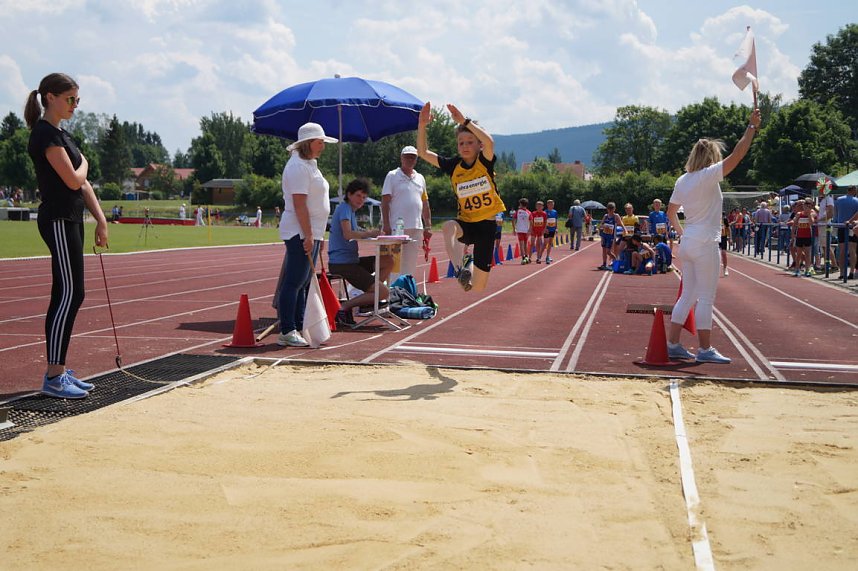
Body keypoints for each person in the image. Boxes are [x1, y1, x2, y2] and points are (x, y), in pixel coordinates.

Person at [25, 72, 109, 399]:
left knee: (73, 292)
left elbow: (84, 185)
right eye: (70, 99)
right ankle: (53, 374)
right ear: (50, 97)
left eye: (78, 99)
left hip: (72, 218)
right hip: (57, 218)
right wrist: (85, 162)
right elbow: (75, 179)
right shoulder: (45, 135)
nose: (75, 105)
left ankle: (59, 369)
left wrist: (101, 221)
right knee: (68, 293)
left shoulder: (63, 135)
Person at [666, 107, 761, 364]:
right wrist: (751, 127)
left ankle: (673, 343)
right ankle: (705, 349)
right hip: (706, 241)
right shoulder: (708, 176)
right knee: (706, 297)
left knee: (688, 295)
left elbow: (670, 211)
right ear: (711, 157)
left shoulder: (682, 180)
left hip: (689, 242)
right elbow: (738, 154)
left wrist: (682, 234)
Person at [417, 102, 507, 292]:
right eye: (461, 142)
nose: (465, 146)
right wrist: (422, 125)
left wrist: (464, 121)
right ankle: (460, 269)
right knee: (448, 226)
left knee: (478, 288)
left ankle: (469, 266)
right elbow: (423, 153)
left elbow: (490, 142)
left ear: (479, 145)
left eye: (470, 142)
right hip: (467, 224)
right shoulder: (453, 166)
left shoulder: (485, 161)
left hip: (487, 226)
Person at [277, 122, 336, 347]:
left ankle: (300, 325)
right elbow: (299, 204)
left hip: (312, 231)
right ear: (308, 143)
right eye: (320, 142)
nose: (323, 146)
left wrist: (316, 235)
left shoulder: (310, 164)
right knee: (294, 280)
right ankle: (287, 329)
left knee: (302, 282)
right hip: (299, 231)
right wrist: (308, 235)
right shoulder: (297, 167)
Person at [328, 178, 394, 325]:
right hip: (342, 264)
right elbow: (348, 234)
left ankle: (369, 299)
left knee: (388, 260)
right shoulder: (344, 208)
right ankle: (343, 307)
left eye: (364, 197)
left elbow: (354, 232)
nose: (361, 200)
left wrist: (368, 233)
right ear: (349, 194)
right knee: (384, 292)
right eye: (358, 195)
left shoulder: (350, 211)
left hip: (352, 261)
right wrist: (369, 234)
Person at [381, 145, 432, 281]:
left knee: (410, 263)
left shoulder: (420, 178)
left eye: (413, 157)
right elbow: (385, 202)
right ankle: (393, 294)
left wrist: (428, 225)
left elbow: (425, 203)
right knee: (394, 263)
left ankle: (406, 293)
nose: (410, 159)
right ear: (401, 158)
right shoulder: (392, 176)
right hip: (396, 227)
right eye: (407, 156)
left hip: (416, 226)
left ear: (416, 160)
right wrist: (386, 224)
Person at [833, 185, 858, 279]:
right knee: (852, 250)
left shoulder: (838, 200)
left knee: (842, 250)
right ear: (854, 190)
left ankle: (842, 273)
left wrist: (836, 223)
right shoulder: (857, 201)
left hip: (841, 226)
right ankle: (851, 272)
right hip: (852, 227)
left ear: (847, 190)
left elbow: (835, 215)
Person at [790, 198, 815, 276]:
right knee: (799, 254)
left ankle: (807, 270)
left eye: (808, 206)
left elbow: (811, 223)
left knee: (807, 254)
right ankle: (797, 269)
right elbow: (794, 225)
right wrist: (793, 234)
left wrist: (809, 215)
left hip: (808, 236)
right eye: (805, 206)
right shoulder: (799, 214)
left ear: (810, 207)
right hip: (799, 236)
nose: (806, 208)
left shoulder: (812, 213)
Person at [597, 202, 622, 270]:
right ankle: (604, 264)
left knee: (608, 251)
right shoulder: (605, 216)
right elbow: (601, 225)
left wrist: (624, 230)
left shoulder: (616, 216)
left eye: (612, 209)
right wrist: (603, 227)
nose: (610, 210)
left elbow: (621, 224)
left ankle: (616, 262)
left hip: (611, 236)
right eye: (609, 209)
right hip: (604, 235)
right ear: (607, 209)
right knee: (604, 250)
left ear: (614, 209)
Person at [513, 198, 531, 264]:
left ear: (520, 204)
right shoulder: (529, 212)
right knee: (525, 244)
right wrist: (530, 230)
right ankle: (526, 257)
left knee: (522, 244)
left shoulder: (518, 211)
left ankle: (524, 258)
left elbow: (513, 220)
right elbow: (531, 222)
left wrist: (514, 229)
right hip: (526, 230)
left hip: (520, 230)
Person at [543, 199, 558, 264]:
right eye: (550, 204)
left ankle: (547, 256)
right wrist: (545, 228)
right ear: (547, 205)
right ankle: (539, 256)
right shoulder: (545, 212)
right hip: (547, 230)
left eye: (553, 204)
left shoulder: (555, 212)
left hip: (553, 229)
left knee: (550, 243)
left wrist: (556, 228)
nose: (552, 205)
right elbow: (543, 221)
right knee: (545, 243)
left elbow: (555, 220)